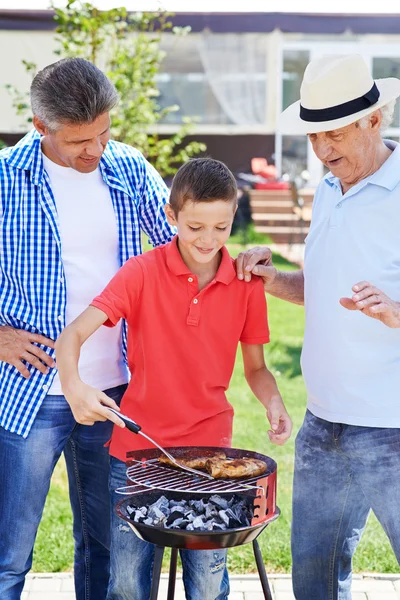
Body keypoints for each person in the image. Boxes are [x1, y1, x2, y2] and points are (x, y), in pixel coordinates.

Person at [55, 157, 292, 600]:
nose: (208, 239)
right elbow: (74, 334)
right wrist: (73, 385)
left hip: (211, 454)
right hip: (136, 456)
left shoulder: (244, 284)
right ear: (171, 216)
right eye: (195, 226)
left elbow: (256, 368)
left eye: (221, 227)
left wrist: (274, 402)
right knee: (127, 583)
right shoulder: (141, 273)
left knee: (206, 583)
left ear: (233, 217)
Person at [0, 57, 175, 600]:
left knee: (107, 545)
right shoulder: (6, 179)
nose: (96, 150)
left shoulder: (128, 167)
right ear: (41, 127)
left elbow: (181, 248)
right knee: (9, 553)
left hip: (116, 390)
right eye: (81, 142)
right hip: (32, 391)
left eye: (104, 133)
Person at [236, 53, 400, 599]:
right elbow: (323, 288)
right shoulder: (330, 188)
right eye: (313, 137)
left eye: (334, 134)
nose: (324, 151)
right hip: (323, 427)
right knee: (314, 583)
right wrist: (271, 278)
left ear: (373, 121)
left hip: (392, 429)